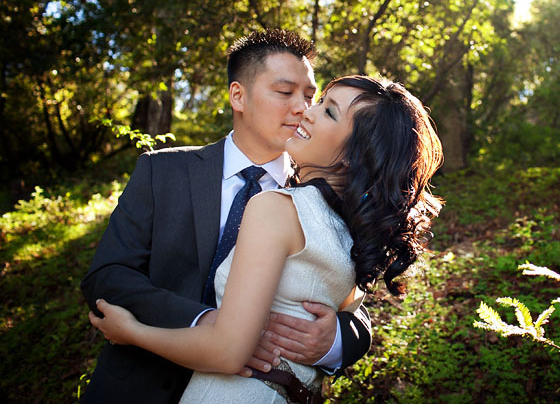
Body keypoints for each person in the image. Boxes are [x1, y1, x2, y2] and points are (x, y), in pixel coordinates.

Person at [89, 75, 444, 403]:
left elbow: (229, 352)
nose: (305, 109)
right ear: (239, 95)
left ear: (356, 156)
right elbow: (109, 272)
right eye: (285, 92)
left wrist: (131, 332)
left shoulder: (279, 206)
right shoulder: (350, 227)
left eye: (323, 107)